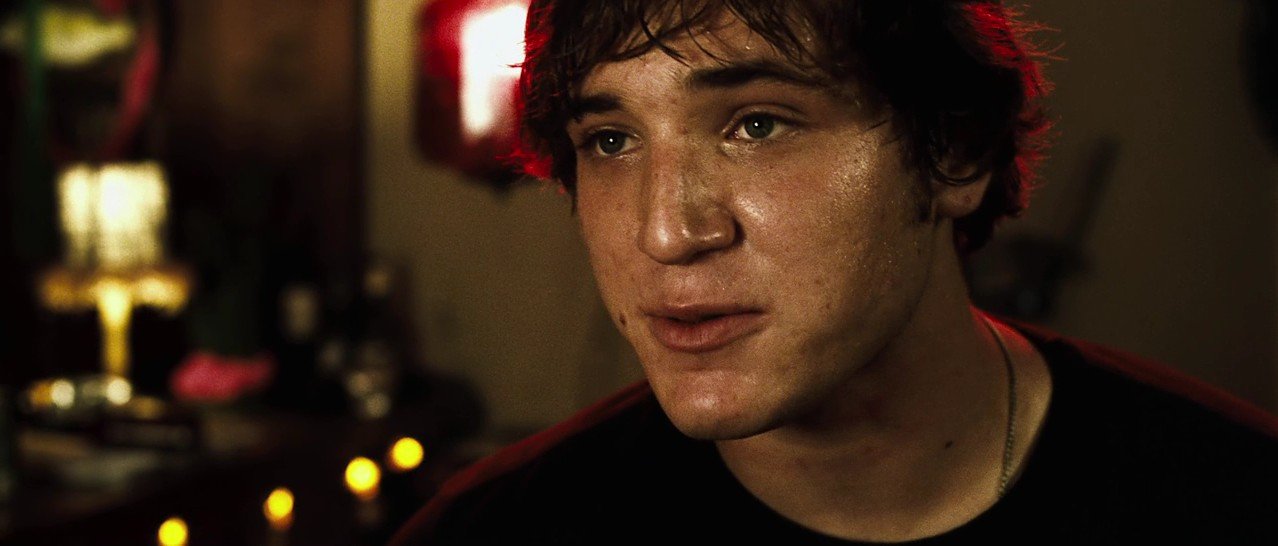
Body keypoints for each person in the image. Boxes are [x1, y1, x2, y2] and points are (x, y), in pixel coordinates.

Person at [391, 1, 1278, 543]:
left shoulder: (1231, 500)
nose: (666, 233)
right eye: (612, 140)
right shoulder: (492, 532)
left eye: (758, 125)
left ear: (954, 150)